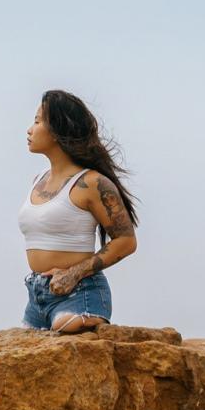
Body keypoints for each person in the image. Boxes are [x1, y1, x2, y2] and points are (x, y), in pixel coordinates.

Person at [17, 90, 139, 333]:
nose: (30, 129)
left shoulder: (92, 183)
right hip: (38, 294)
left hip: (79, 291)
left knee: (63, 330)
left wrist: (74, 274)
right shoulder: (38, 179)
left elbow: (126, 241)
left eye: (38, 121)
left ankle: (90, 316)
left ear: (59, 130)